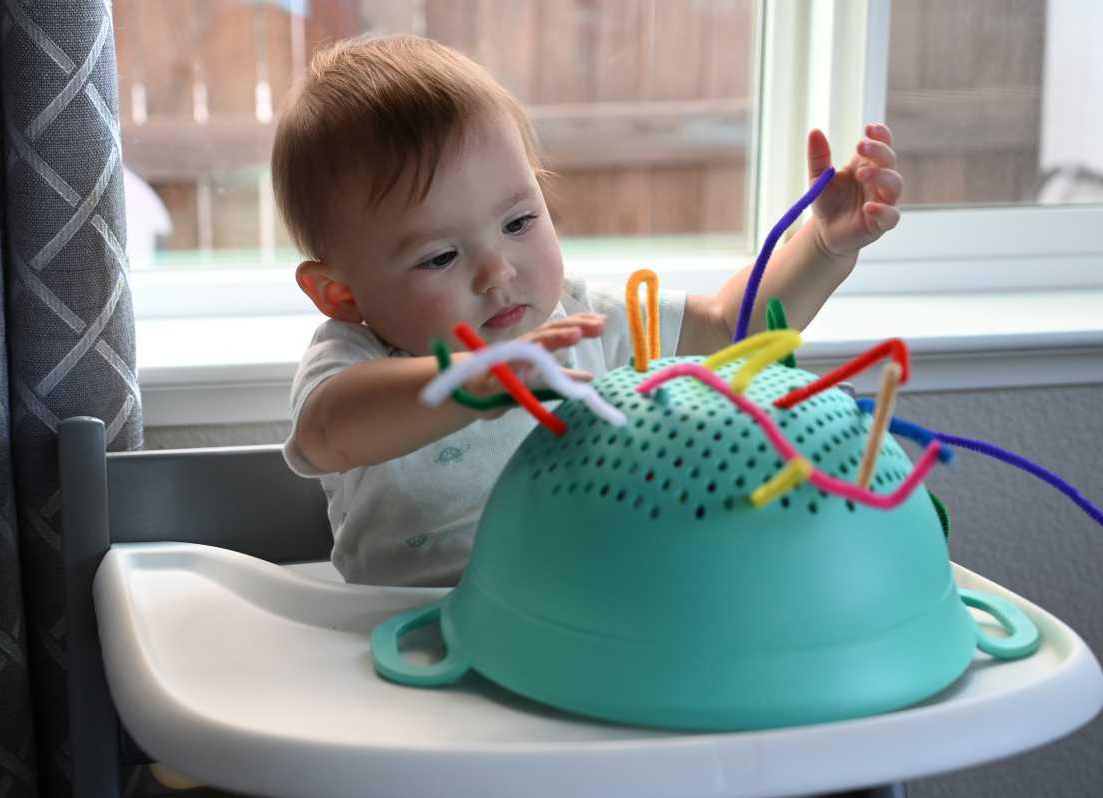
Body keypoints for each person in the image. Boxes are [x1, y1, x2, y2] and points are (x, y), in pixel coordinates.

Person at [271, 34, 903, 587]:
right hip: (412, 646)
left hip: (581, 621)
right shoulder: (355, 359)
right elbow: (329, 432)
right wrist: (468, 381)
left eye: (519, 221)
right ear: (342, 295)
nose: (499, 272)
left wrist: (821, 246)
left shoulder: (577, 320)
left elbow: (725, 326)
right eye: (439, 257)